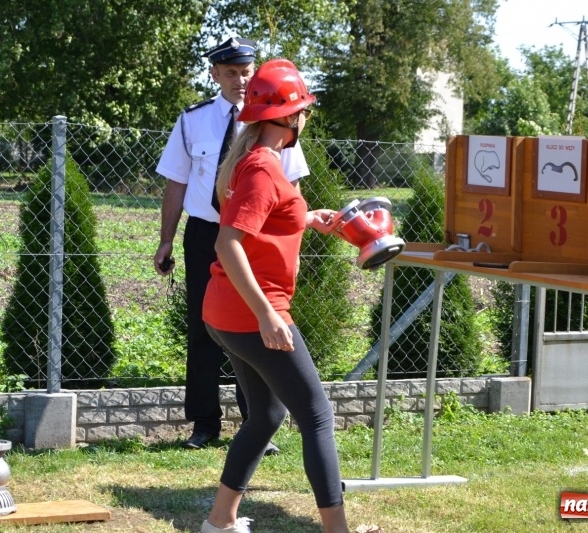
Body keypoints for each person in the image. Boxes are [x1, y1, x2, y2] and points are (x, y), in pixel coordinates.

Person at [200, 59, 349, 533]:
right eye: (303, 109)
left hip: (226, 313)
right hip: (253, 315)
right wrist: (267, 315)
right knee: (317, 417)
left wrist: (306, 218)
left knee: (265, 413)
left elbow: (262, 222)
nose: (306, 117)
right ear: (288, 118)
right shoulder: (264, 167)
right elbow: (229, 243)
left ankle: (220, 521)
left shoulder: (257, 162)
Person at [153, 37, 309, 452]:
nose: (240, 80)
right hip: (206, 233)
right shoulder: (193, 120)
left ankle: (259, 423)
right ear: (214, 75)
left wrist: (290, 237)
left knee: (257, 327)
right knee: (204, 330)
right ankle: (204, 424)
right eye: (231, 73)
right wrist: (166, 239)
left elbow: (289, 188)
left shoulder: (277, 118)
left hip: (255, 238)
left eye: (246, 71)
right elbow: (177, 182)